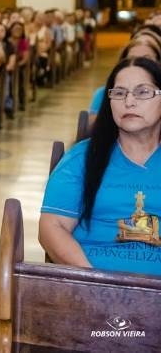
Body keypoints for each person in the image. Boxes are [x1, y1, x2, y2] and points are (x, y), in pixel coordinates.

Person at [40, 56, 161, 275]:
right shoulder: (83, 158)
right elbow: (52, 227)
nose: (129, 102)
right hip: (93, 289)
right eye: (120, 93)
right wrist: (95, 283)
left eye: (143, 92)